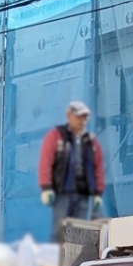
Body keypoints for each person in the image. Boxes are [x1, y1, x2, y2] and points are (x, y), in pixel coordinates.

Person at [39, 100, 105, 241]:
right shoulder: (56, 136)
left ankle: (74, 255)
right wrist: (46, 187)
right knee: (59, 230)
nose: (82, 121)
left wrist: (98, 193)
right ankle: (57, 254)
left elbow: (98, 168)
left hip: (83, 194)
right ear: (69, 116)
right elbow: (46, 161)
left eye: (84, 117)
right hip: (63, 193)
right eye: (79, 117)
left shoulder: (90, 141)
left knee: (79, 232)